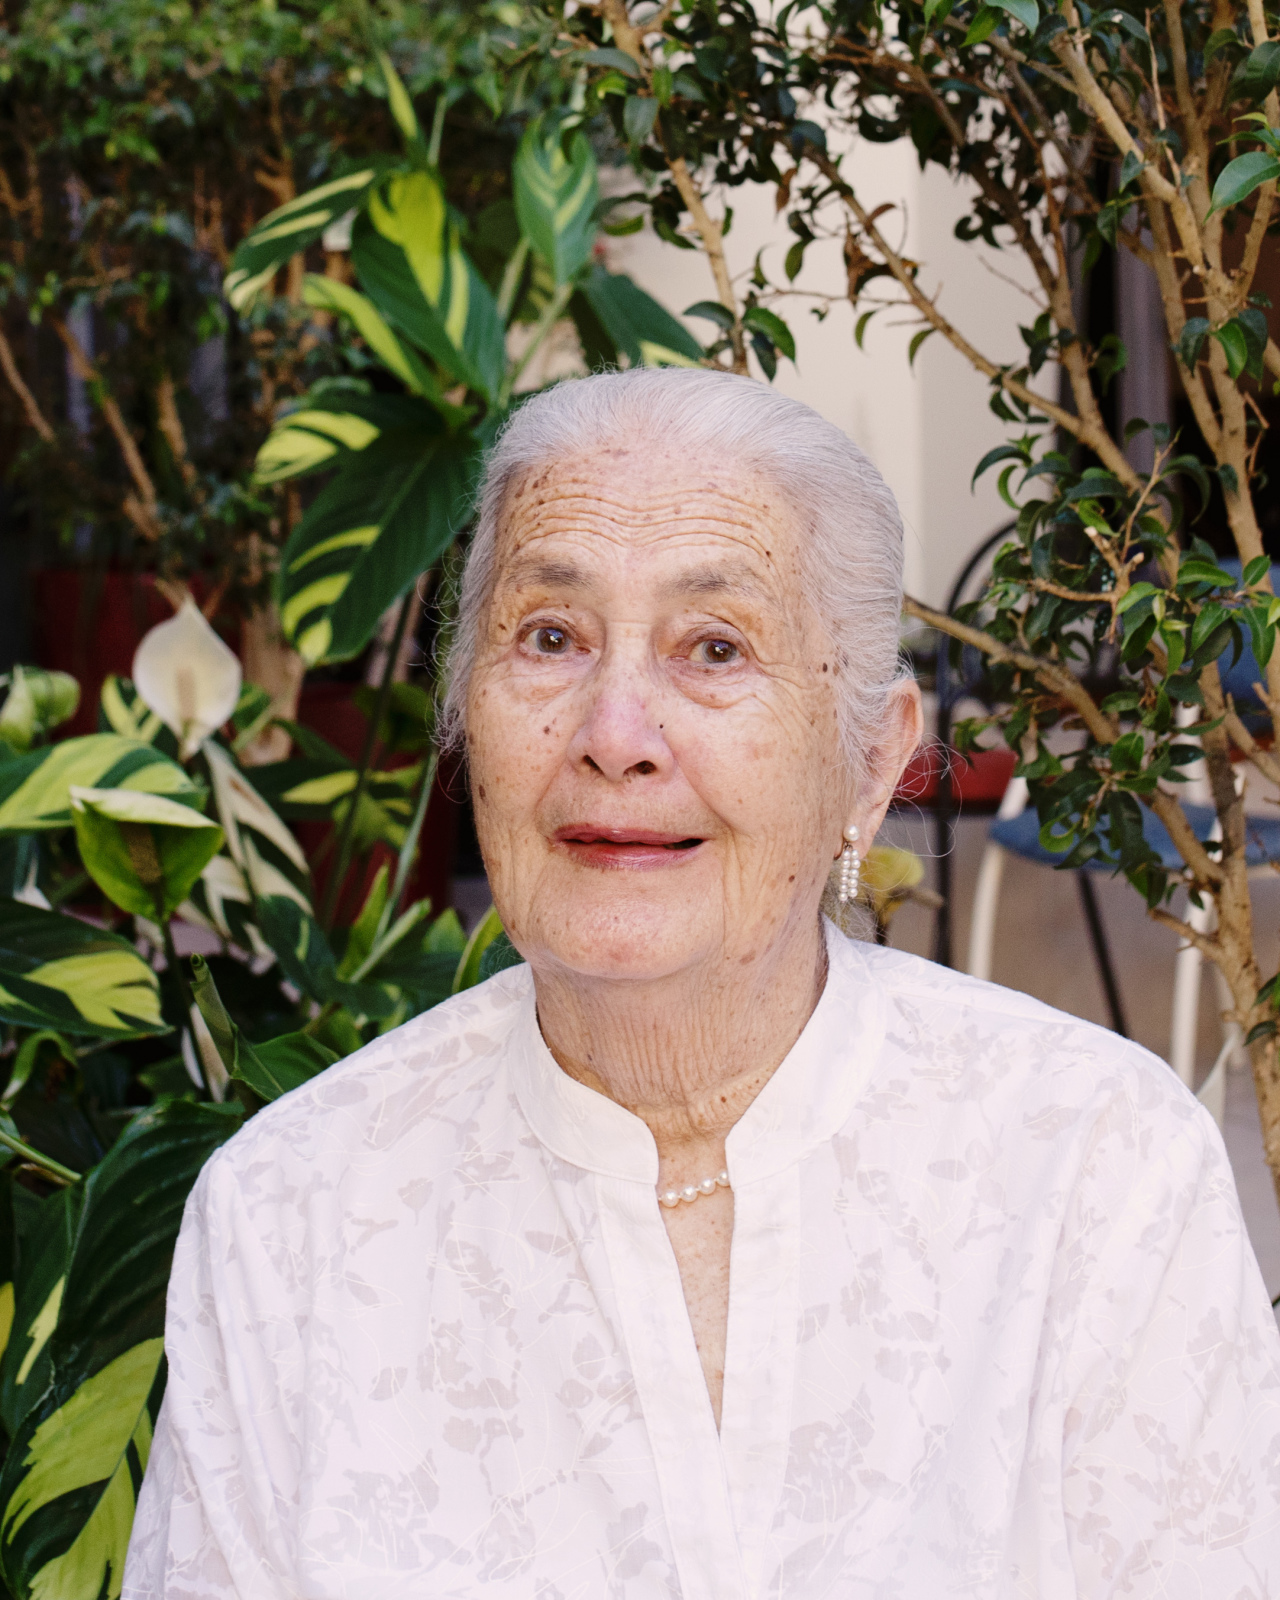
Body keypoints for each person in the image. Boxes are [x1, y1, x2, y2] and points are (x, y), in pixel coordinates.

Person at [124, 368, 1280, 1598]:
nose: (614, 734)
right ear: (464, 716)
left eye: (714, 647)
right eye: (550, 637)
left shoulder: (1095, 1170)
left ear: (868, 763)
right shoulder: (289, 1217)